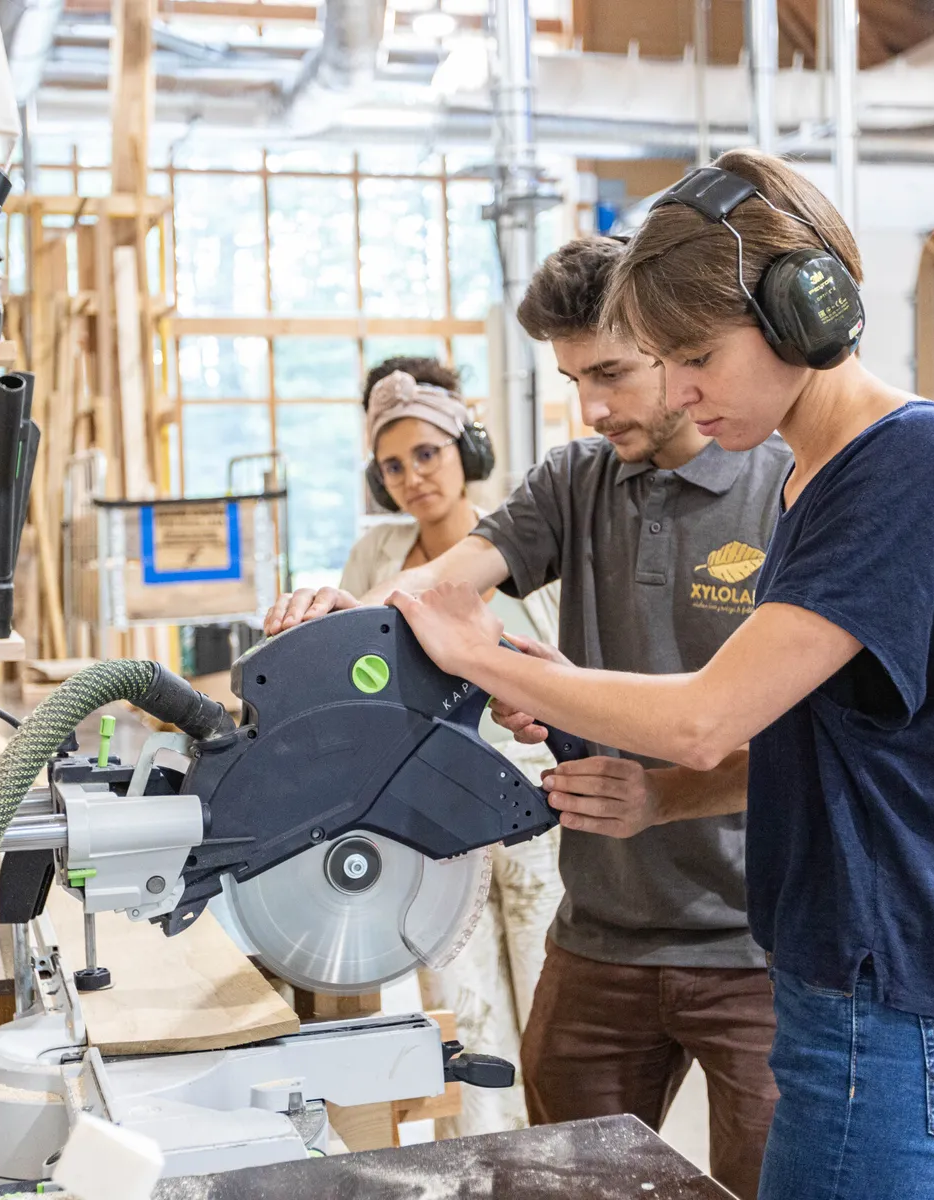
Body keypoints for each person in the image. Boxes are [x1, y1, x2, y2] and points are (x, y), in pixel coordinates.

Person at [387, 149, 934, 1200]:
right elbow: (812, 741)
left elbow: (705, 717)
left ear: (802, 316)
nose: (679, 393)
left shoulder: (910, 460)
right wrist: (650, 786)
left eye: (693, 356)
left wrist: (475, 648)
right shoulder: (814, 483)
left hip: (895, 1003)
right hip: (836, 984)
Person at [265, 241, 789, 1199]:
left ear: (676, 349)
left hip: (756, 952)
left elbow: (810, 740)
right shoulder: (574, 480)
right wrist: (347, 614)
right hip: (601, 936)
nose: (591, 407)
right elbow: (437, 588)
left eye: (612, 374)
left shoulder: (783, 489)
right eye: (573, 379)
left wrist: (666, 795)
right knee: (557, 1182)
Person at [341, 357, 564, 1139]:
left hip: (536, 805)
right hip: (426, 814)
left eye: (426, 454)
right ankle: (483, 1173)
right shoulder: (374, 560)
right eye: (392, 465)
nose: (412, 478)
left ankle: (558, 1176)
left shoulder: (531, 541)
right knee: (461, 1022)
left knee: (550, 1008)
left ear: (463, 446)